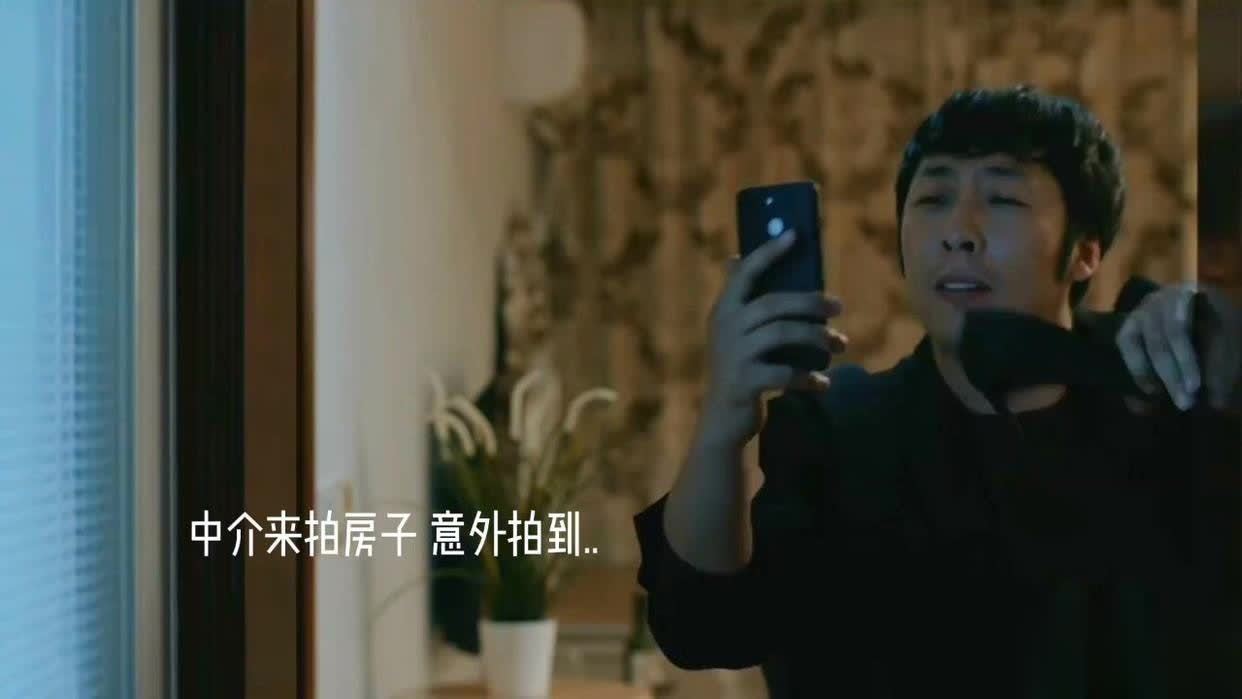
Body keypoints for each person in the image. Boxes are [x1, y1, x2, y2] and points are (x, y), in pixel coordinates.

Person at [633, 85, 1242, 697]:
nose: (958, 232)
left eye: (1002, 198)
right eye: (932, 199)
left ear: (1085, 252)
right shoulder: (839, 432)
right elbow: (701, 628)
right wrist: (724, 420)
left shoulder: (1165, 411)